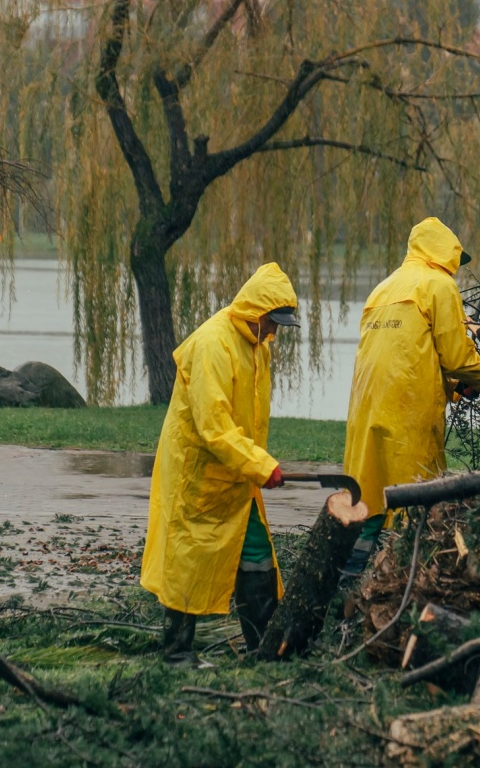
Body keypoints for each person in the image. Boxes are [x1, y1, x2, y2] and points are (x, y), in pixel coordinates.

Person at [140, 262, 301, 662]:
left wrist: (253, 465)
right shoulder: (214, 343)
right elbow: (213, 425)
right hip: (198, 473)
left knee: (257, 552)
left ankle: (263, 647)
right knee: (188, 559)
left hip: (236, 473)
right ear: (255, 312)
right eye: (273, 321)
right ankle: (177, 652)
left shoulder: (256, 346)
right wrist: (261, 466)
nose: (275, 331)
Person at [342, 218, 480, 576]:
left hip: (366, 415)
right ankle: (406, 583)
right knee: (416, 504)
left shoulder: (382, 288)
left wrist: (454, 388)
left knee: (370, 502)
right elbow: (458, 357)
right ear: (446, 253)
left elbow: (409, 353)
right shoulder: (438, 285)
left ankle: (348, 588)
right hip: (407, 417)